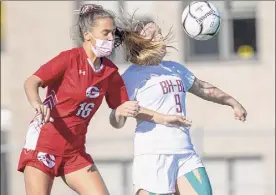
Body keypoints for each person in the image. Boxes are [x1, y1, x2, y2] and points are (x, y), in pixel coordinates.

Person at [17, 4, 191, 195]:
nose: (110, 38)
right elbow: (32, 81)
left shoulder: (109, 72)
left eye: (112, 33)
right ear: (87, 35)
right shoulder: (69, 59)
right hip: (44, 144)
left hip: (74, 151)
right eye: (105, 32)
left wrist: (164, 118)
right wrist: (37, 103)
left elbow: (125, 109)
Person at [111, 20, 247, 195]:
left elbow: (203, 88)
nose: (161, 36)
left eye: (160, 32)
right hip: (153, 155)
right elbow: (117, 117)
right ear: (140, 43)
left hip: (184, 152)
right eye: (155, 34)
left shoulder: (175, 69)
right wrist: (118, 113)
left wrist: (232, 102)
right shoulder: (131, 76)